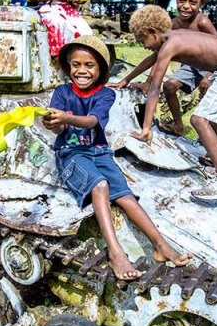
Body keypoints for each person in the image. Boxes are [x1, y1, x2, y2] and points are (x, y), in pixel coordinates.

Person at [41, 35, 193, 280]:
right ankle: (115, 252)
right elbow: (59, 129)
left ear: (100, 69)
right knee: (100, 185)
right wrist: (53, 124)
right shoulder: (61, 92)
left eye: (89, 65)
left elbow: (92, 121)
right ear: (68, 67)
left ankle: (160, 245)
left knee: (126, 196)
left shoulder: (105, 95)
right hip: (70, 154)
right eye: (76, 64)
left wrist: (67, 118)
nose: (81, 70)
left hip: (100, 151)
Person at [127, 5, 217, 200]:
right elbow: (151, 59)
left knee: (199, 120)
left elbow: (155, 87)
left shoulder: (171, 44)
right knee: (214, 121)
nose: (144, 45)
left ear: (152, 32)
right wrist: (125, 80)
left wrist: (146, 128)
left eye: (142, 40)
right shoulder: (172, 37)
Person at [111, 0, 217, 137]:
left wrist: (209, 76)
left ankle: (208, 138)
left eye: (192, 2)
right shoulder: (173, 25)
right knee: (169, 87)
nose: (185, 6)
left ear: (202, 3)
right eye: (182, 0)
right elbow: (158, 57)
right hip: (191, 65)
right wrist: (135, 81)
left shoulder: (202, 22)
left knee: (210, 97)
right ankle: (178, 126)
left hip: (212, 65)